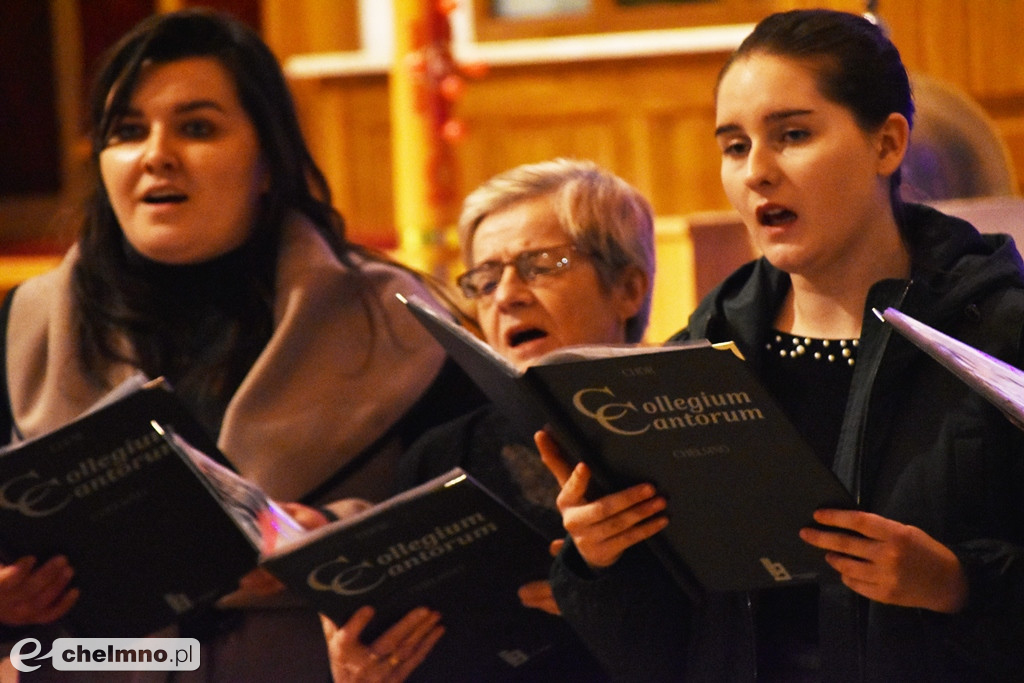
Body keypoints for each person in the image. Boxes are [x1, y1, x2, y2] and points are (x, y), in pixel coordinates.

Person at [537, 9, 1024, 682]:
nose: (757, 171)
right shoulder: (706, 348)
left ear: (887, 145)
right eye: (734, 147)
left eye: (792, 135)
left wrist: (956, 584)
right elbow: (659, 647)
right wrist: (600, 556)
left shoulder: (998, 332)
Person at [0, 8, 481, 681]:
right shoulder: (26, 325)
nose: (155, 155)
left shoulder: (395, 321)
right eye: (126, 132)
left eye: (197, 128)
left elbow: (480, 540)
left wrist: (333, 536)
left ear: (267, 160)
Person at [351, 158, 652, 681]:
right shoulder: (439, 458)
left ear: (627, 289)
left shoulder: (690, 435)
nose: (507, 296)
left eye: (541, 265)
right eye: (486, 280)